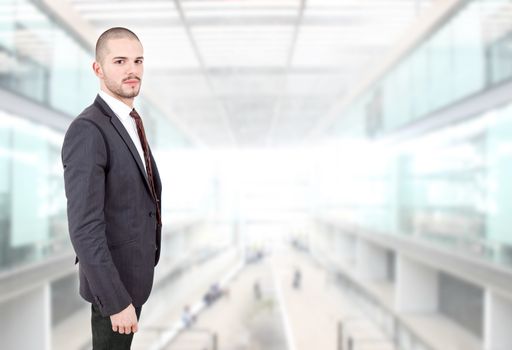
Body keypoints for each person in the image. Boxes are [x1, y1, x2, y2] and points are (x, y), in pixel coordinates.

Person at [62, 27, 162, 349]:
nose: (132, 70)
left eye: (138, 61)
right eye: (119, 61)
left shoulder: (129, 120)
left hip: (132, 277)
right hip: (113, 287)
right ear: (98, 69)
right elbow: (84, 227)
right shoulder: (88, 130)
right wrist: (116, 300)